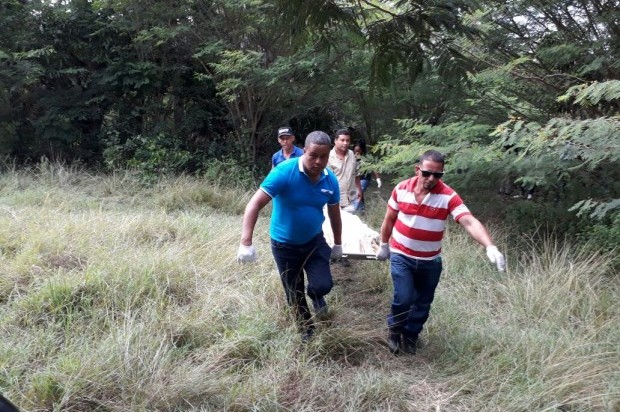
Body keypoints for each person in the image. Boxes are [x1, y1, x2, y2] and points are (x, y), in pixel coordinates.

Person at [375, 149, 506, 355]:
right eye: (427, 173)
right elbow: (389, 219)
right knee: (404, 298)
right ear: (417, 169)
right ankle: (395, 330)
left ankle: (410, 336)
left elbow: (469, 221)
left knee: (423, 303)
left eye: (437, 175)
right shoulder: (401, 189)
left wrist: (490, 246)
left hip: (430, 260)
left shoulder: (447, 196)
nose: (431, 178)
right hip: (402, 255)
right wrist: (384, 244)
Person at [237, 131, 343, 342]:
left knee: (323, 285)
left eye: (323, 156)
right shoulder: (284, 172)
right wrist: (245, 242)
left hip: (314, 241)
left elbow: (334, 213)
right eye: (313, 155)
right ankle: (306, 329)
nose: (318, 161)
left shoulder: (330, 180)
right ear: (304, 151)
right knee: (293, 291)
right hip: (284, 244)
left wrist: (338, 243)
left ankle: (316, 295)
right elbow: (255, 204)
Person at [328, 129, 363, 213]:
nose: (345, 143)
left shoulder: (351, 154)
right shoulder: (328, 157)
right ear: (335, 141)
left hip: (352, 197)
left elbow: (356, 173)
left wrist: (359, 189)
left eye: (347, 140)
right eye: (342, 140)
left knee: (350, 223)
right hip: (335, 200)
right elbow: (327, 181)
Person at [352, 139, 382, 212]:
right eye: (355, 151)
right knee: (359, 192)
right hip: (355, 179)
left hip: (364, 179)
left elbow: (373, 168)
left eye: (358, 151)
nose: (356, 152)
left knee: (357, 192)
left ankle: (352, 210)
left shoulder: (366, 158)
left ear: (362, 150)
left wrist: (378, 179)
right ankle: (362, 209)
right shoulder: (351, 156)